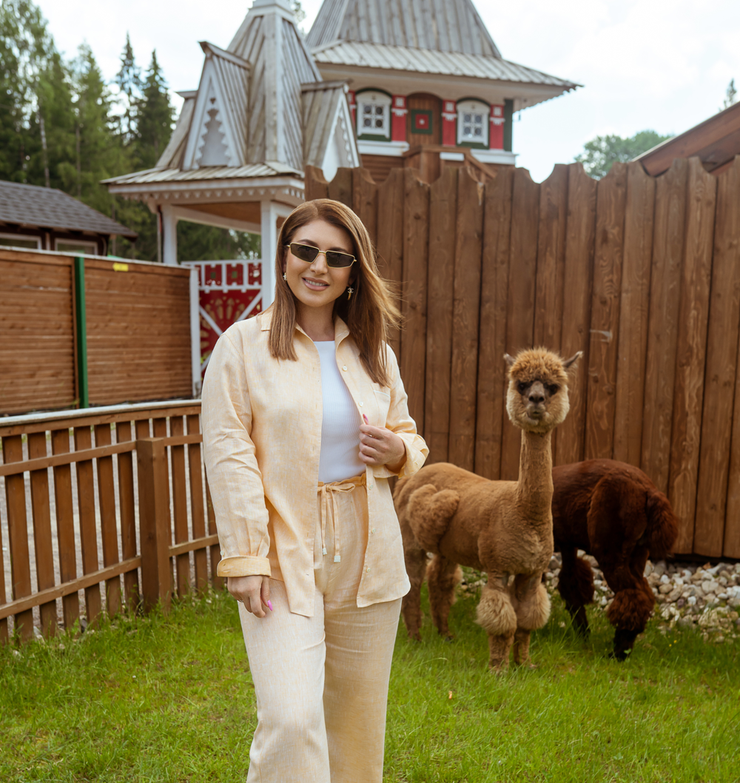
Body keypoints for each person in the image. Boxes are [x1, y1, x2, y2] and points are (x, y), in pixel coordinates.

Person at [201, 198, 428, 783]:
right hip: (282, 548)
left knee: (355, 724)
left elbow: (408, 435)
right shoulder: (241, 347)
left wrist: (399, 452)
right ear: (284, 258)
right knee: (290, 717)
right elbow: (229, 454)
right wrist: (245, 557)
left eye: (337, 256)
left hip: (368, 552)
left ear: (354, 271)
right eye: (305, 250)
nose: (318, 266)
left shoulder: (376, 354)